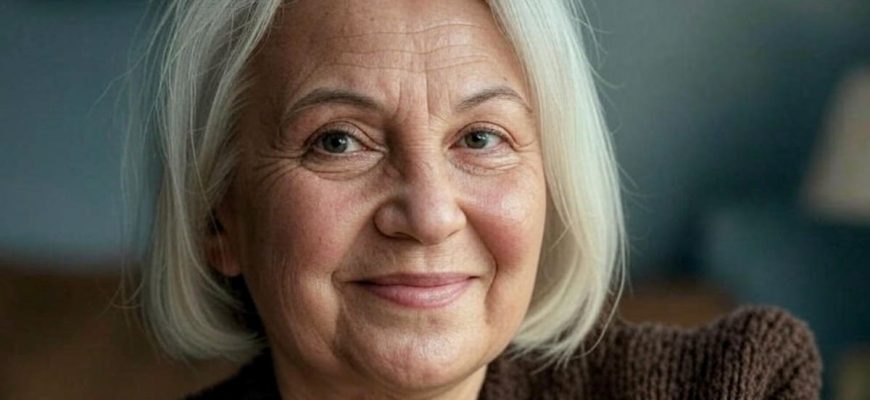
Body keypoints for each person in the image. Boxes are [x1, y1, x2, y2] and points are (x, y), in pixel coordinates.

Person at [128, 0, 822, 398]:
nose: (430, 215)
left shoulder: (727, 384)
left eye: (481, 138)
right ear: (219, 216)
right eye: (338, 141)